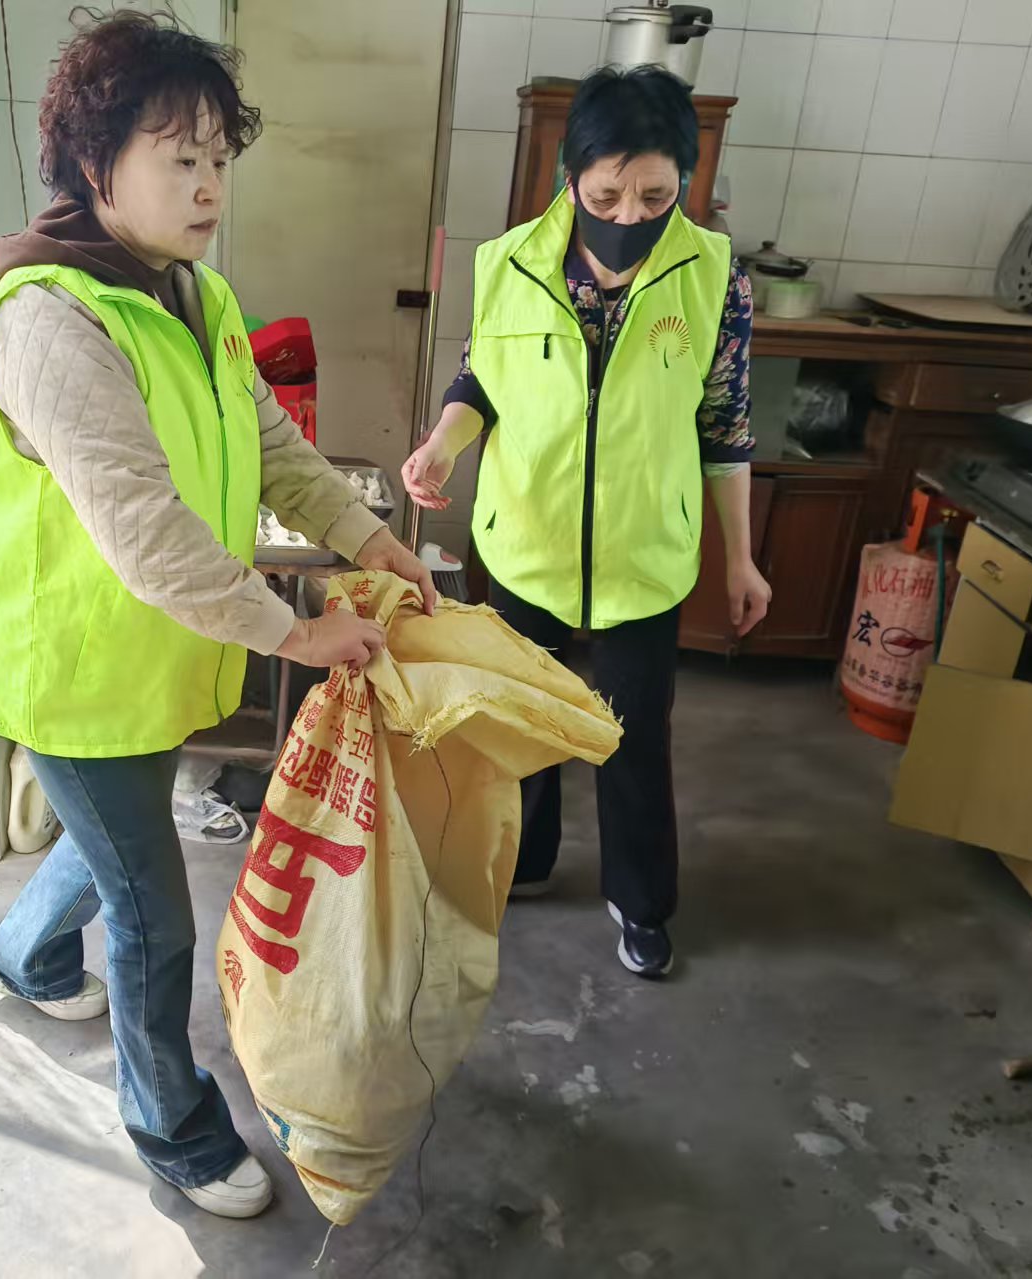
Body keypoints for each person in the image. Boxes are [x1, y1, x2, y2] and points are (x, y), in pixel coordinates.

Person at [0, 10, 435, 1220]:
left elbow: (270, 445)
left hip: (151, 657)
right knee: (155, 916)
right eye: (179, 158)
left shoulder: (190, 291)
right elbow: (145, 530)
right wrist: (297, 633)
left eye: (219, 157)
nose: (210, 185)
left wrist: (370, 540)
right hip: (75, 670)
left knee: (112, 843)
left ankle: (22, 953)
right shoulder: (50, 320)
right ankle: (170, 1125)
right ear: (93, 162)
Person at [401, 65, 768, 981]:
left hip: (644, 551)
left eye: (655, 197)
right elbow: (481, 379)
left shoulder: (714, 277)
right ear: (571, 177)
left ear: (685, 184)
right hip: (526, 539)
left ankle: (640, 899)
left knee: (633, 732)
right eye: (606, 196)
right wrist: (443, 444)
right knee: (521, 720)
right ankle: (524, 860)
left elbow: (725, 425)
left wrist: (743, 560)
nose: (628, 217)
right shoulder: (509, 262)